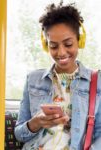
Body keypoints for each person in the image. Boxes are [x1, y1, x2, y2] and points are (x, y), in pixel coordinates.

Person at [14, 2, 101, 150]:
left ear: (80, 41)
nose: (61, 53)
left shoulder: (97, 81)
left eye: (68, 44)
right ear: (45, 44)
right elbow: (18, 133)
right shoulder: (32, 80)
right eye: (53, 46)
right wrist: (35, 123)